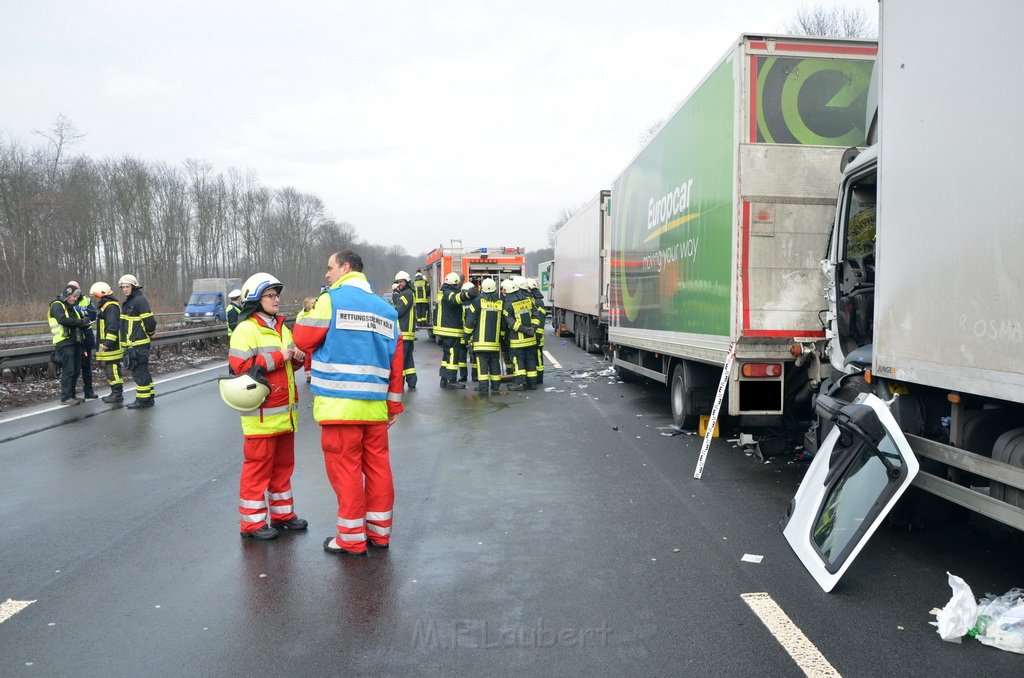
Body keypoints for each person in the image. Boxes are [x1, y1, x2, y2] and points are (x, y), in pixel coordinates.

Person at [293, 250, 405, 557]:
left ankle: (351, 538)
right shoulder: (386, 310)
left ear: (345, 267)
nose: (326, 274)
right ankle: (379, 535)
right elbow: (397, 364)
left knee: (346, 472)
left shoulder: (330, 300)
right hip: (374, 411)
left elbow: (302, 340)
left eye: (329, 268)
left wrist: (307, 310)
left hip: (340, 408)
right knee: (379, 469)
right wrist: (393, 406)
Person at [228, 272, 308, 541]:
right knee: (257, 470)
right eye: (270, 295)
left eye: (277, 295)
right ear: (255, 299)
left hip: (285, 415)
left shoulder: (282, 327)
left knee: (283, 468)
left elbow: (289, 363)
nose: (276, 300)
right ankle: (251, 524)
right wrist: (280, 355)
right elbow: (240, 369)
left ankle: (283, 515)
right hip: (261, 416)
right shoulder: (245, 330)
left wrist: (296, 358)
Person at [47, 283, 91, 405]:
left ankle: (71, 395)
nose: (75, 299)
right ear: (67, 295)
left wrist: (84, 322)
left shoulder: (72, 308)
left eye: (76, 297)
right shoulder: (57, 305)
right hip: (64, 342)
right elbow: (62, 320)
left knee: (76, 370)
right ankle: (65, 397)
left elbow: (76, 323)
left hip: (75, 342)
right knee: (69, 370)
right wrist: (80, 322)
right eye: (73, 297)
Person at [118, 274, 157, 409]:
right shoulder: (130, 302)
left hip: (138, 344)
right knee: (143, 372)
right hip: (133, 344)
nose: (125, 289)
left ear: (134, 286)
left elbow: (150, 323)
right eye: (123, 287)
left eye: (127, 287)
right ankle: (149, 397)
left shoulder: (139, 301)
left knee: (139, 373)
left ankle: (143, 400)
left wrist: (149, 334)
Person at [433, 271, 476, 389]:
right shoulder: (448, 294)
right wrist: (467, 295)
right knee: (452, 354)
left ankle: (444, 378)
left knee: (447, 356)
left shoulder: (442, 292)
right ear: (454, 284)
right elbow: (455, 299)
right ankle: (451, 380)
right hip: (450, 329)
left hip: (444, 329)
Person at [463, 278, 505, 394]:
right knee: (494, 363)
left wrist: (466, 335)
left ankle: (483, 387)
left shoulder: (477, 302)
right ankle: (496, 386)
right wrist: (501, 337)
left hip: (480, 342)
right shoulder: (500, 303)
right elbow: (503, 323)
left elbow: (470, 321)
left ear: (482, 289)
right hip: (494, 342)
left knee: (483, 365)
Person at [89, 282, 126, 404]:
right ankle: (114, 392)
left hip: (111, 346)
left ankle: (117, 394)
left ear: (102, 294)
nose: (96, 298)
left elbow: (113, 327)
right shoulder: (106, 305)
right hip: (107, 344)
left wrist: (107, 343)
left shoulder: (111, 307)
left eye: (96, 296)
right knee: (110, 369)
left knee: (113, 369)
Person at [502, 278, 538, 391]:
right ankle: (532, 383)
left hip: (517, 341)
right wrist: (532, 328)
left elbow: (512, 324)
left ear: (507, 292)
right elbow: (536, 317)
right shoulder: (528, 301)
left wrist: (525, 329)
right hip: (531, 339)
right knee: (531, 360)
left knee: (518, 361)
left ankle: (520, 383)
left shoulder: (508, 305)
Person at [68, 280, 99, 400]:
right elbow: (69, 316)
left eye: (77, 288)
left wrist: (80, 311)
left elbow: (92, 314)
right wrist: (82, 312)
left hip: (86, 337)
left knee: (87, 367)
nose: (76, 292)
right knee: (73, 368)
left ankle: (88, 391)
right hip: (74, 337)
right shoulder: (65, 300)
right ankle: (71, 394)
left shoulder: (86, 299)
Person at [391, 270, 418, 389]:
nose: (399, 284)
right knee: (408, 360)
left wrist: (395, 296)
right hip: (407, 332)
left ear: (407, 282)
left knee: (401, 359)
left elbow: (398, 311)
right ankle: (412, 382)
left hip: (404, 332)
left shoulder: (406, 294)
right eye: (398, 282)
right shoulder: (408, 293)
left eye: (401, 281)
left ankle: (399, 384)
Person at [525, 278, 547, 385]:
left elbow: (541, 320)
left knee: (538, 357)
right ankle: (536, 377)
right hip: (534, 334)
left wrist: (537, 335)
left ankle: (539, 378)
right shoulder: (535, 301)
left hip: (537, 336)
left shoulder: (538, 302)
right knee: (535, 357)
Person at [295, 296, 316, 383]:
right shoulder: (314, 313)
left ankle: (309, 374)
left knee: (308, 359)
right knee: (308, 359)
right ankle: (309, 375)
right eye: (312, 303)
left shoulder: (301, 314)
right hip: (310, 339)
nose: (314, 304)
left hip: (305, 340)